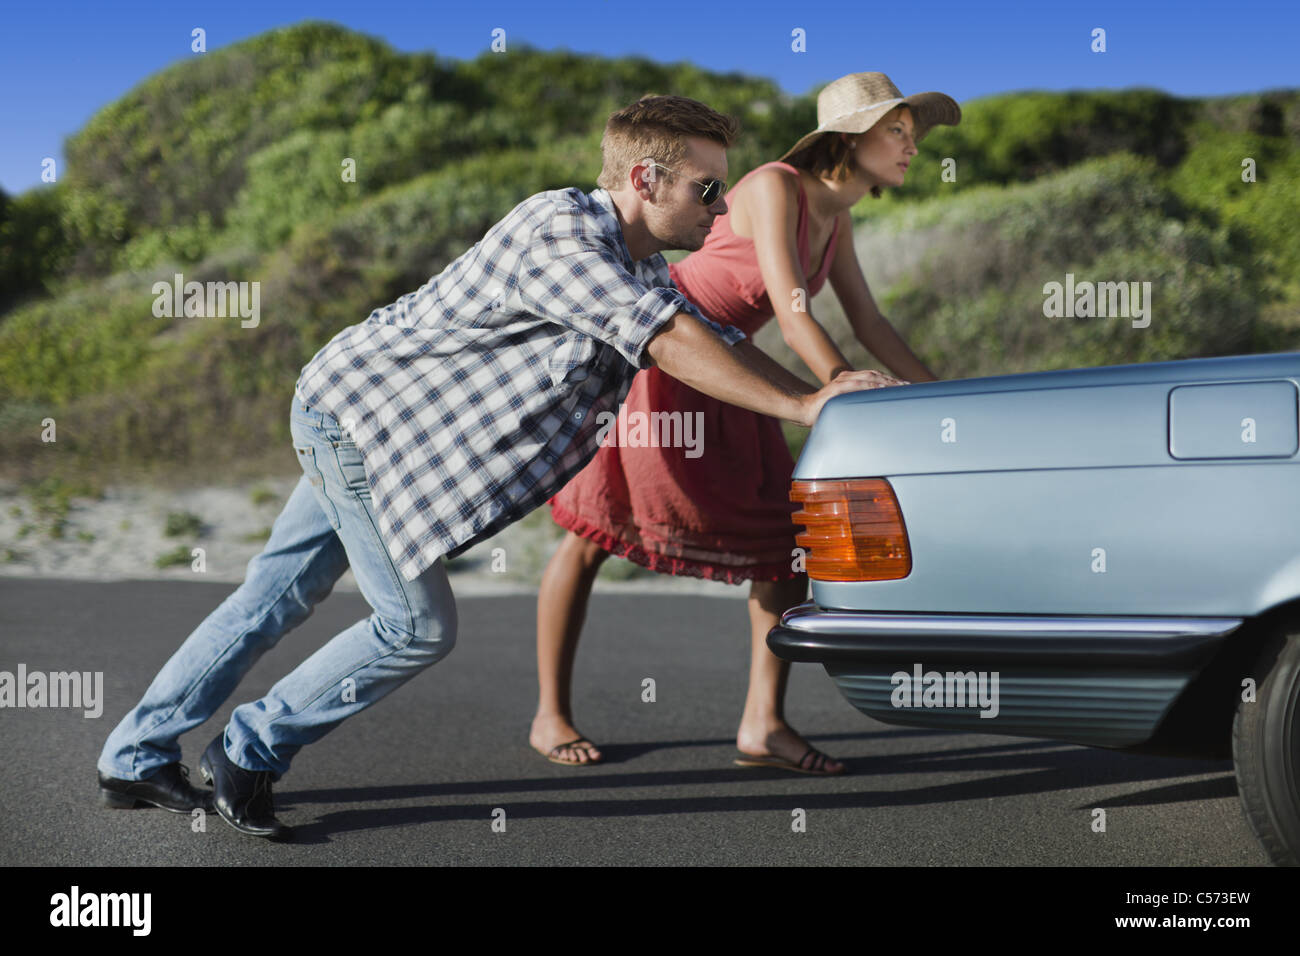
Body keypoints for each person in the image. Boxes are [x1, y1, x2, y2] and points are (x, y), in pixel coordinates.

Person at [95, 94, 903, 840]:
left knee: (275, 594)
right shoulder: (560, 231)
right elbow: (665, 340)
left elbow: (712, 336)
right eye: (705, 190)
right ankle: (249, 750)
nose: (720, 208)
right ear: (644, 178)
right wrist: (805, 407)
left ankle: (134, 757)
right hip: (360, 424)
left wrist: (832, 388)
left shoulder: (644, 265)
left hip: (390, 436)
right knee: (415, 627)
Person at [531, 73, 959, 774]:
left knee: (785, 543)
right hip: (668, 350)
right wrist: (836, 390)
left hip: (734, 372)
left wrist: (940, 398)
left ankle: (763, 722)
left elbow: (871, 322)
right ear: (848, 139)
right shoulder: (773, 186)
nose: (912, 146)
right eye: (897, 131)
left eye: (915, 134)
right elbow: (793, 315)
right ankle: (550, 712)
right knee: (594, 529)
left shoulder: (837, 218)